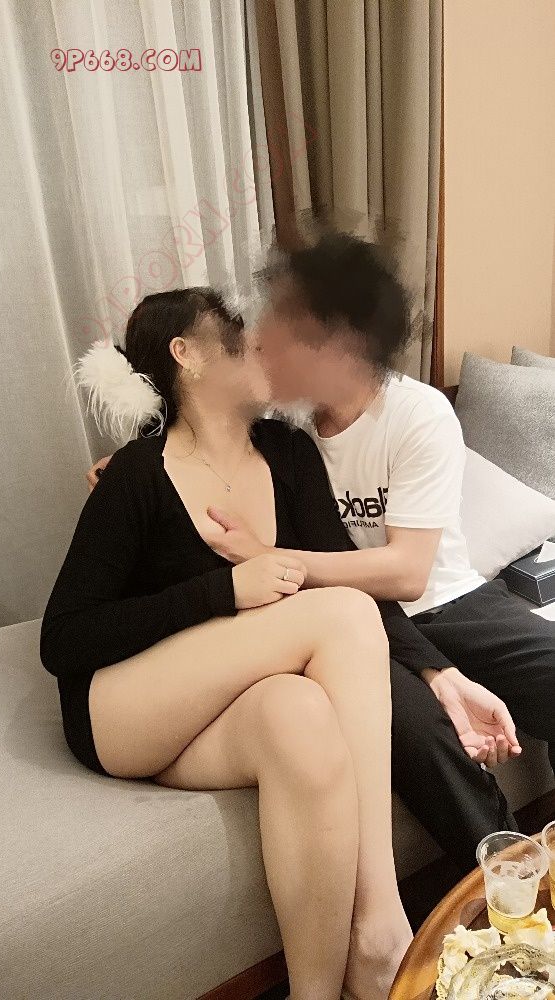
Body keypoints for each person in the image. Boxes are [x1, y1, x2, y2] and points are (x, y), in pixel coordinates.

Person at [42, 285, 462, 1000]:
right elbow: (64, 639)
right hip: (122, 711)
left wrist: (436, 671)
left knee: (301, 716)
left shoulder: (288, 455)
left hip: (228, 710)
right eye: (235, 333)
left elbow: (351, 578)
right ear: (186, 354)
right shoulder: (137, 474)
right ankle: (381, 926)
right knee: (338, 613)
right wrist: (222, 592)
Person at [197, 230, 555, 868]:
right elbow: (194, 424)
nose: (263, 346)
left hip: (450, 602)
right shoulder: (285, 433)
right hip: (356, 626)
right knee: (425, 739)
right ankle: (511, 885)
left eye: (281, 330)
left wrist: (272, 558)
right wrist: (129, 463)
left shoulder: (417, 413)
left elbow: (409, 572)